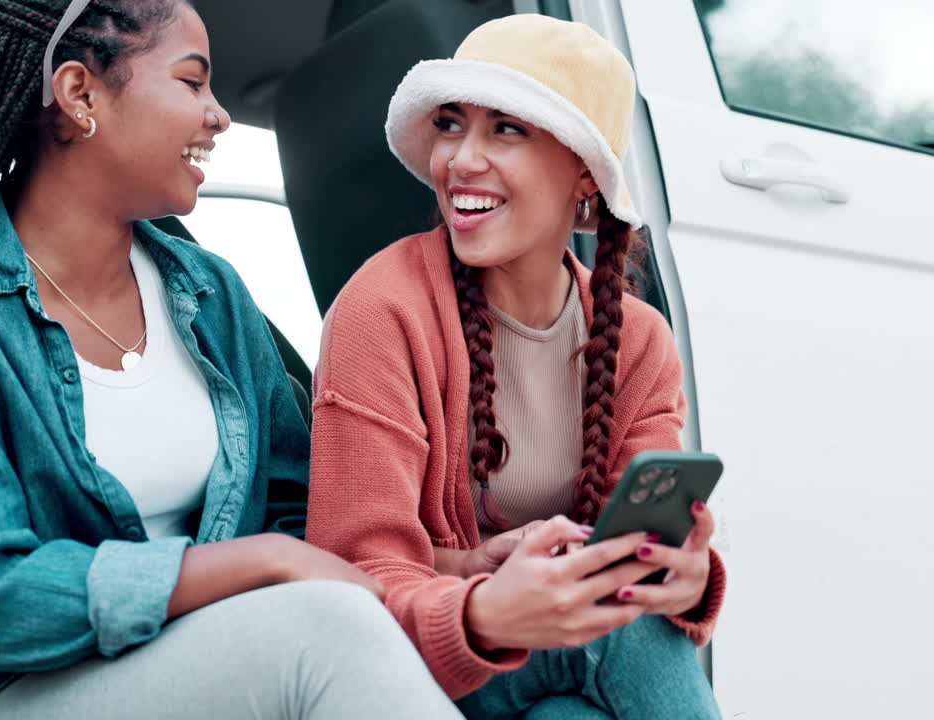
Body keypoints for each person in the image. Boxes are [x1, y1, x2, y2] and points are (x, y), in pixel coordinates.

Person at [0, 1, 462, 718]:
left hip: (212, 663)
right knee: (328, 629)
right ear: (80, 95)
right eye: (193, 82)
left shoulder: (215, 295)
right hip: (5, 695)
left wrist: (450, 570)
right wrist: (253, 563)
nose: (219, 115)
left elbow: (298, 516)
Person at [307, 14, 726, 719]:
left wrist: (682, 581)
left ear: (584, 174)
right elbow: (355, 578)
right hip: (416, 664)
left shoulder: (640, 340)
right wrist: (484, 598)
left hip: (545, 676)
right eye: (450, 125)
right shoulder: (381, 310)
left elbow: (643, 550)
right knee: (624, 630)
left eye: (506, 128)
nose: (460, 160)